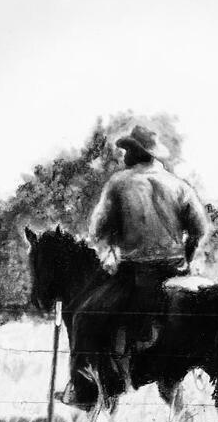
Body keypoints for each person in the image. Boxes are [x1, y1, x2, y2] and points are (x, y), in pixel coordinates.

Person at [67, 124, 208, 401]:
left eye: (126, 150)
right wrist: (187, 260)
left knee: (83, 317)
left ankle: (83, 392)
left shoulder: (119, 183)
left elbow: (97, 229)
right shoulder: (179, 185)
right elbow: (199, 230)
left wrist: (112, 247)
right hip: (174, 271)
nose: (123, 156)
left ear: (134, 152)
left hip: (136, 272)